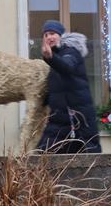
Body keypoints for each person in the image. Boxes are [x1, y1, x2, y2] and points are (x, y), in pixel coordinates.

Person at [37, 20, 102, 154]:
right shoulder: (56, 57)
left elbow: (67, 67)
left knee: (88, 153)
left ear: (61, 35)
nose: (49, 37)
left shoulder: (70, 51)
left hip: (78, 117)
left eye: (52, 33)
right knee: (45, 153)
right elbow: (56, 87)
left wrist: (50, 58)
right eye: (46, 35)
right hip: (59, 118)